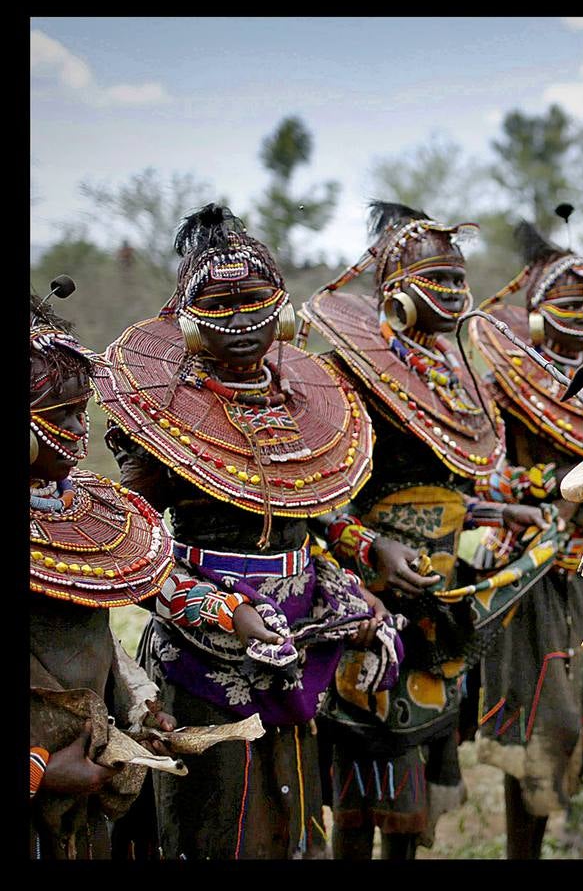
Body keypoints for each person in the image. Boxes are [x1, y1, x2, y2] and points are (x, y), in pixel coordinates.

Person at [94, 204, 403, 859]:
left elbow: (314, 511)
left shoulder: (305, 401)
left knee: (293, 817)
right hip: (203, 660)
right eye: (219, 304)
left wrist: (366, 560)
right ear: (187, 318)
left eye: (255, 300)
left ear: (283, 309)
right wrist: (223, 611)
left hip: (295, 648)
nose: (240, 322)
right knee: (217, 830)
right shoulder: (165, 420)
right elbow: (128, 551)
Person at [302, 201, 554, 859]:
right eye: (433, 280)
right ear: (394, 294)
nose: (451, 293)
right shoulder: (345, 373)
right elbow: (316, 499)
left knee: (413, 780)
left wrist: (498, 511)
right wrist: (368, 549)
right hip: (366, 603)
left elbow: (448, 492)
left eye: (456, 279)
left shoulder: (453, 376)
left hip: (437, 600)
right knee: (362, 787)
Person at [467, 219, 583, 858]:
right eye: (567, 305)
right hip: (534, 577)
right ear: (534, 315)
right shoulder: (502, 384)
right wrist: (551, 484)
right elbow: (483, 475)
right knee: (542, 723)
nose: (581, 317)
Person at [29, 286, 178, 859]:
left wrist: (139, 706)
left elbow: (97, 640)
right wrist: (41, 772)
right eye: (59, 414)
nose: (78, 426)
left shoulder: (87, 510)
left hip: (87, 768)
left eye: (80, 407)